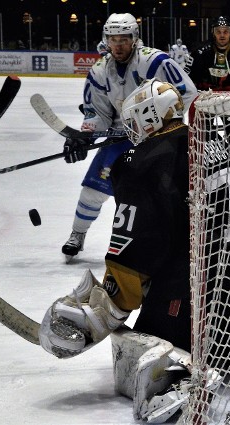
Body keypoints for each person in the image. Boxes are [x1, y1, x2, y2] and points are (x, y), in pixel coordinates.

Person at [39, 79, 230, 422]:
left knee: (141, 342)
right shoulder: (212, 141)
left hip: (203, 285)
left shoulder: (144, 161)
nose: (132, 130)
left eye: (134, 121)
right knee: (220, 343)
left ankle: (179, 387)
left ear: (147, 117)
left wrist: (99, 311)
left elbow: (135, 253)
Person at [60, 12, 197, 262]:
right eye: (113, 39)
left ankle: (166, 240)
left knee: (158, 194)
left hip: (158, 139)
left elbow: (187, 93)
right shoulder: (100, 70)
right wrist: (85, 136)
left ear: (134, 38)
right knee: (93, 190)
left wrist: (160, 121)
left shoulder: (155, 62)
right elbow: (97, 112)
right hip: (121, 138)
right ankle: (77, 234)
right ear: (106, 40)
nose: (118, 45)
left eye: (124, 39)